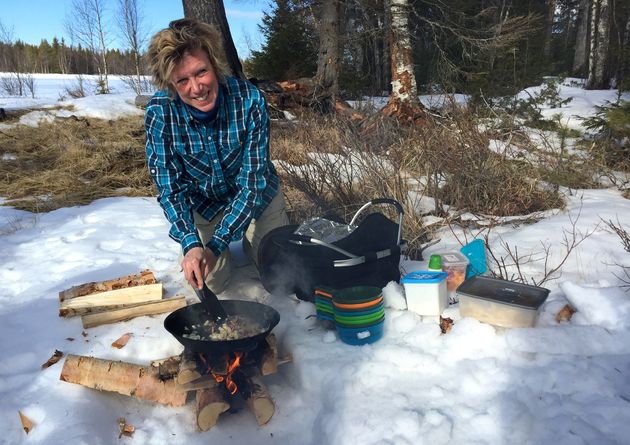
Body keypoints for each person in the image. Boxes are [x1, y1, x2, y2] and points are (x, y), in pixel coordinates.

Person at [144, 18, 289, 293]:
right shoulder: (159, 114)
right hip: (204, 203)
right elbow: (169, 189)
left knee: (277, 273)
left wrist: (217, 244)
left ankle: (252, 244)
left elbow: (252, 184)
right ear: (171, 85)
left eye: (201, 72)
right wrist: (192, 245)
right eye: (182, 80)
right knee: (208, 283)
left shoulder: (250, 101)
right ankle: (219, 250)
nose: (196, 88)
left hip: (257, 196)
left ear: (215, 65)